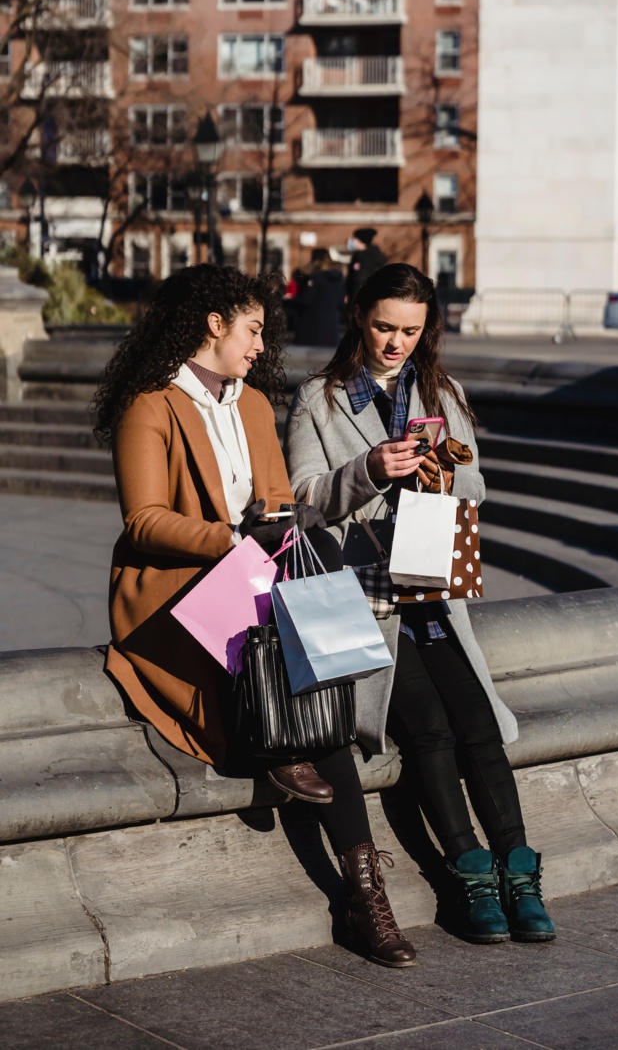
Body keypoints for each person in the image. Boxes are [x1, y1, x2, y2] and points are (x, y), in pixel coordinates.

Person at [93, 263, 416, 969]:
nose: (260, 344)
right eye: (253, 328)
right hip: (176, 595)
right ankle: (362, 888)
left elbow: (279, 499)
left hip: (253, 580)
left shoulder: (249, 405)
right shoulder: (151, 404)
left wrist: (275, 528)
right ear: (214, 323)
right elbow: (144, 521)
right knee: (314, 684)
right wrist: (234, 540)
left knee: (316, 637)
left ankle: (362, 888)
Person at [284, 262, 555, 944]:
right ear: (356, 315)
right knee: (427, 727)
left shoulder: (442, 389)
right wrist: (370, 468)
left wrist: (446, 471)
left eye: (410, 329)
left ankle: (519, 875)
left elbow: (478, 485)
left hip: (431, 581)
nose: (395, 342)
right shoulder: (318, 398)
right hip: (365, 596)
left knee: (478, 723)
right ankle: (469, 876)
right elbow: (303, 502)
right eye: (383, 326)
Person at [293, 251, 346, 347]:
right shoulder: (338, 279)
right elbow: (341, 301)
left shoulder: (315, 278)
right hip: (332, 326)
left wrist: (290, 301)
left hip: (313, 327)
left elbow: (306, 300)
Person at [346, 227, 387, 304]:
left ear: (361, 241)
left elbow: (361, 279)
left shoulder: (370, 258)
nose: (352, 241)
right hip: (354, 298)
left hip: (365, 298)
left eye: (355, 239)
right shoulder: (357, 257)